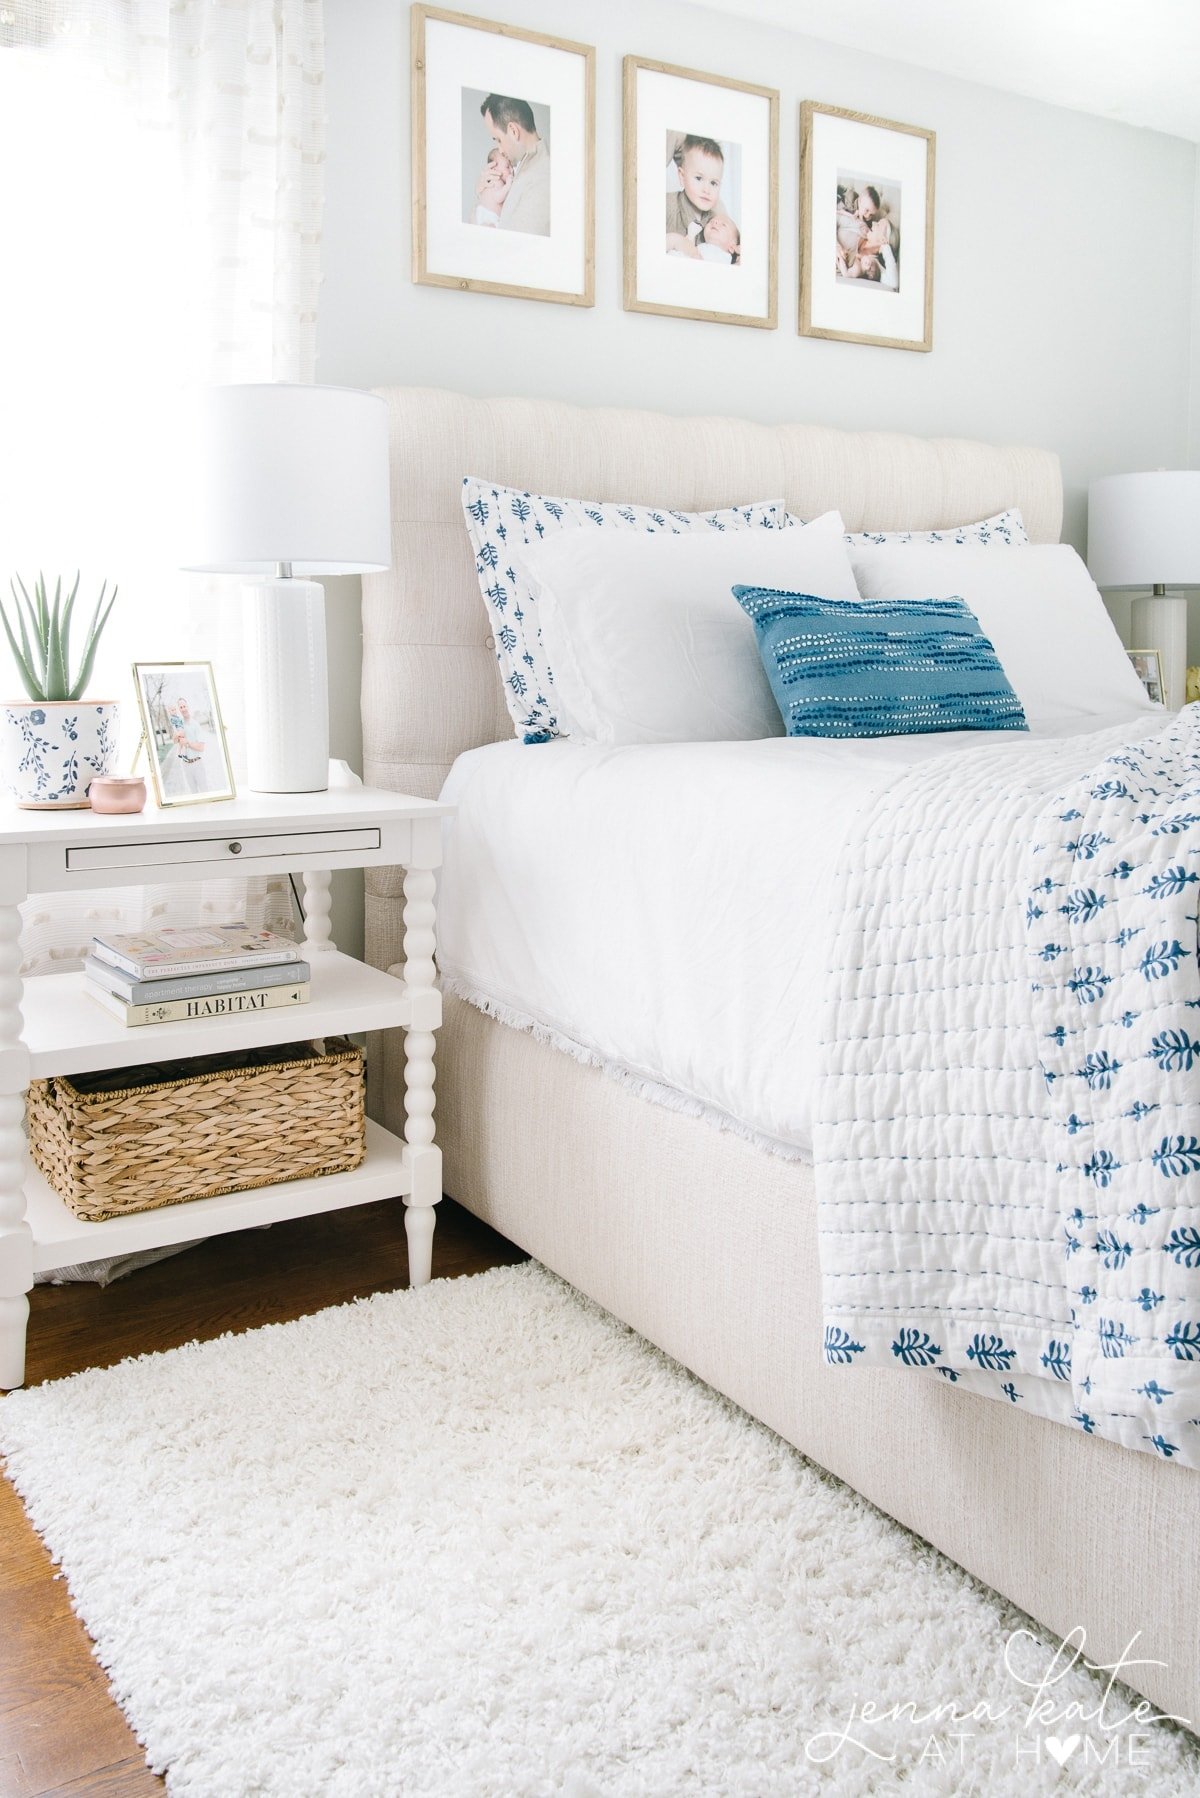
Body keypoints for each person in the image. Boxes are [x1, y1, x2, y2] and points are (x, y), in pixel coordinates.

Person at [478, 94, 550, 236]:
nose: (499, 149)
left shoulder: (542, 180)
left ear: (513, 131)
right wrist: (483, 193)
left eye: (498, 139)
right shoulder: (521, 167)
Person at [665, 135, 725, 242]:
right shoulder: (667, 205)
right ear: (682, 177)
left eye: (713, 183)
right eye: (698, 178)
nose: (706, 190)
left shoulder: (718, 221)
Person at [666, 211, 741, 264]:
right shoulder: (698, 246)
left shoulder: (729, 260)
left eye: (723, 224)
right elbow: (685, 246)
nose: (715, 222)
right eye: (711, 221)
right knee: (674, 238)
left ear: (732, 247)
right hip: (681, 261)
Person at [473, 146, 512, 226]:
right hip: (489, 216)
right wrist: (508, 185)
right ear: (494, 169)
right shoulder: (497, 181)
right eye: (507, 167)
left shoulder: (492, 181)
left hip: (485, 214)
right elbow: (498, 197)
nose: (511, 170)